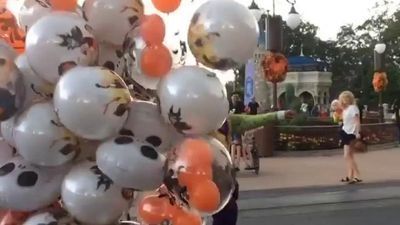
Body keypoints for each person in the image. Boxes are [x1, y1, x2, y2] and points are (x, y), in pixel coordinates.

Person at [338, 91, 362, 184]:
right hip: (345, 132)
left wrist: (357, 132)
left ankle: (357, 175)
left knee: (348, 155)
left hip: (351, 133)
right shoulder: (346, 109)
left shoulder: (353, 108)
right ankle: (350, 176)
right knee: (348, 156)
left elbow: (357, 121)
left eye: (342, 99)